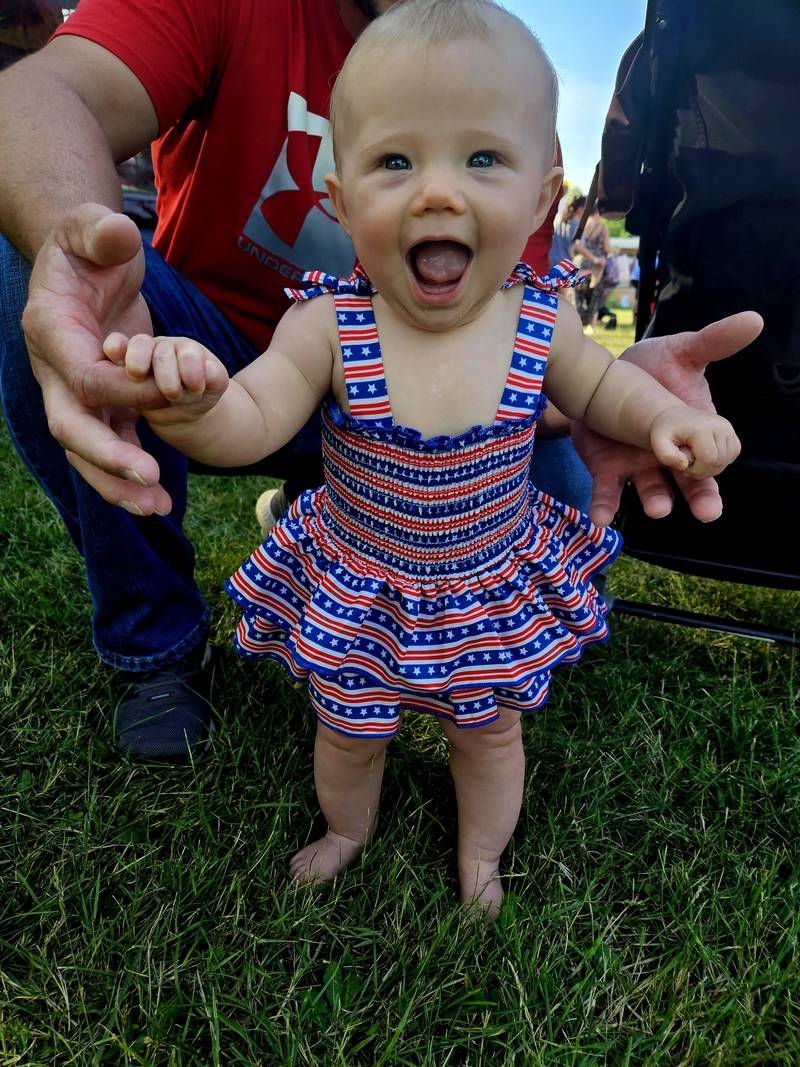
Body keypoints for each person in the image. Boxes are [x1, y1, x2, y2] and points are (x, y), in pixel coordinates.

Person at [101, 0, 743, 917]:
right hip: (364, 577)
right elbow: (254, 418)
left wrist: (661, 422)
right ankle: (346, 830)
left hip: (488, 577)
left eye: (482, 158)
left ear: (541, 196)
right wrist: (197, 405)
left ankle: (481, 857)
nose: (436, 192)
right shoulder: (327, 323)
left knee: (489, 736)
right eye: (395, 161)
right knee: (349, 733)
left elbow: (601, 390)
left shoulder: (540, 316)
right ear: (340, 199)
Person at [573, 207, 614, 332]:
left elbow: (575, 245)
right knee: (596, 295)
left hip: (581, 262)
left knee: (579, 294)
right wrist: (613, 250)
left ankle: (577, 323)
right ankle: (592, 325)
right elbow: (607, 248)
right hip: (597, 265)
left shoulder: (580, 225)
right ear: (599, 213)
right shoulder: (602, 228)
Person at [549, 194, 586, 269]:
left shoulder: (558, 218)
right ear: (581, 209)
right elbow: (578, 246)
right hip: (564, 266)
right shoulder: (576, 224)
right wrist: (595, 259)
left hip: (549, 261)